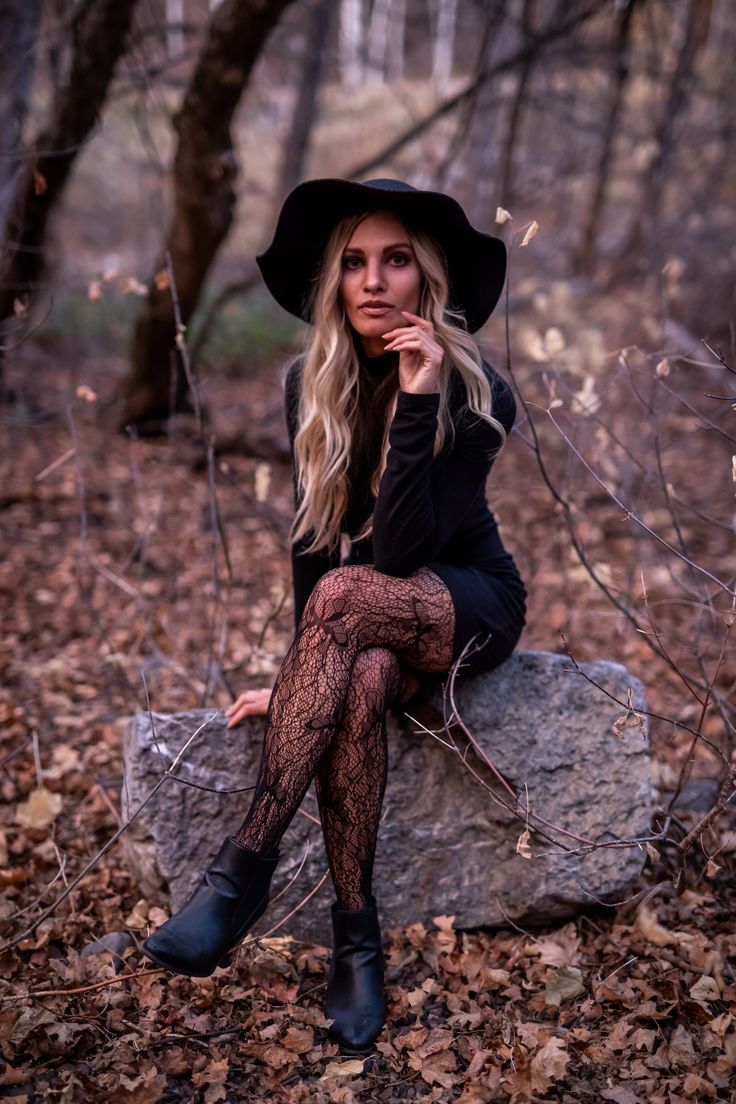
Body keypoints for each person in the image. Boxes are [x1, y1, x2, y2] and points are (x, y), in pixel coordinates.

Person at [141, 178, 528, 1056]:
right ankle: (358, 941)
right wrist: (295, 681)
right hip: (364, 620)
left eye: (396, 259)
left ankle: (241, 870)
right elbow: (315, 546)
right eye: (353, 262)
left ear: (427, 277)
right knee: (355, 680)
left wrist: (421, 396)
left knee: (350, 597)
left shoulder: (477, 393)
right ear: (333, 283)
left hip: (466, 600)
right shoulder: (309, 384)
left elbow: (395, 556)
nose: (373, 280)